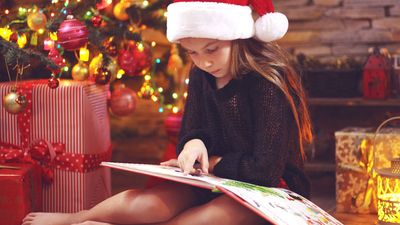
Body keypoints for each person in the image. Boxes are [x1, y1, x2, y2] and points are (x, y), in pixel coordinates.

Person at [22, 0, 313, 224]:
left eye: (212, 50)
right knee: (151, 203)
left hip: (268, 187)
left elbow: (265, 170)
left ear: (239, 37)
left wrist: (212, 161)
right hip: (212, 176)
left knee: (207, 219)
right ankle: (80, 217)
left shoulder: (266, 82)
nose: (204, 62)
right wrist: (194, 143)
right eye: (193, 53)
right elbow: (192, 129)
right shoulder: (202, 73)